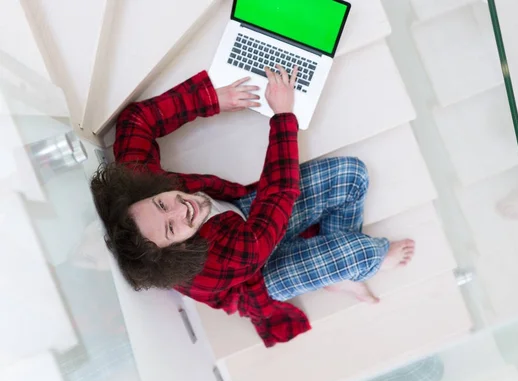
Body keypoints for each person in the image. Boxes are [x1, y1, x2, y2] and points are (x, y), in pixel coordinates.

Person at [90, 65, 416, 347]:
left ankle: (334, 272)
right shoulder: (216, 262)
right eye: (171, 228)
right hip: (256, 276)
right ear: (175, 250)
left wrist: (211, 99)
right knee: (360, 253)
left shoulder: (139, 192)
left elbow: (137, 120)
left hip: (241, 215)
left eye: (162, 204)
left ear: (148, 194)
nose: (180, 208)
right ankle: (362, 266)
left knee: (352, 175)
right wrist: (284, 115)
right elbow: (278, 194)